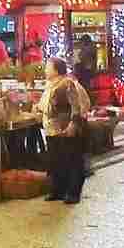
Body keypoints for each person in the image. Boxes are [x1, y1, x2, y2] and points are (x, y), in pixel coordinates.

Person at [41, 59, 92, 204]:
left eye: (48, 67)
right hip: (52, 129)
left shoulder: (67, 83)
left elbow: (75, 106)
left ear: (56, 70)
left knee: (72, 160)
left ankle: (73, 193)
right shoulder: (49, 85)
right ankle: (58, 190)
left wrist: (73, 124)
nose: (45, 70)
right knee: (56, 161)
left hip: (65, 128)